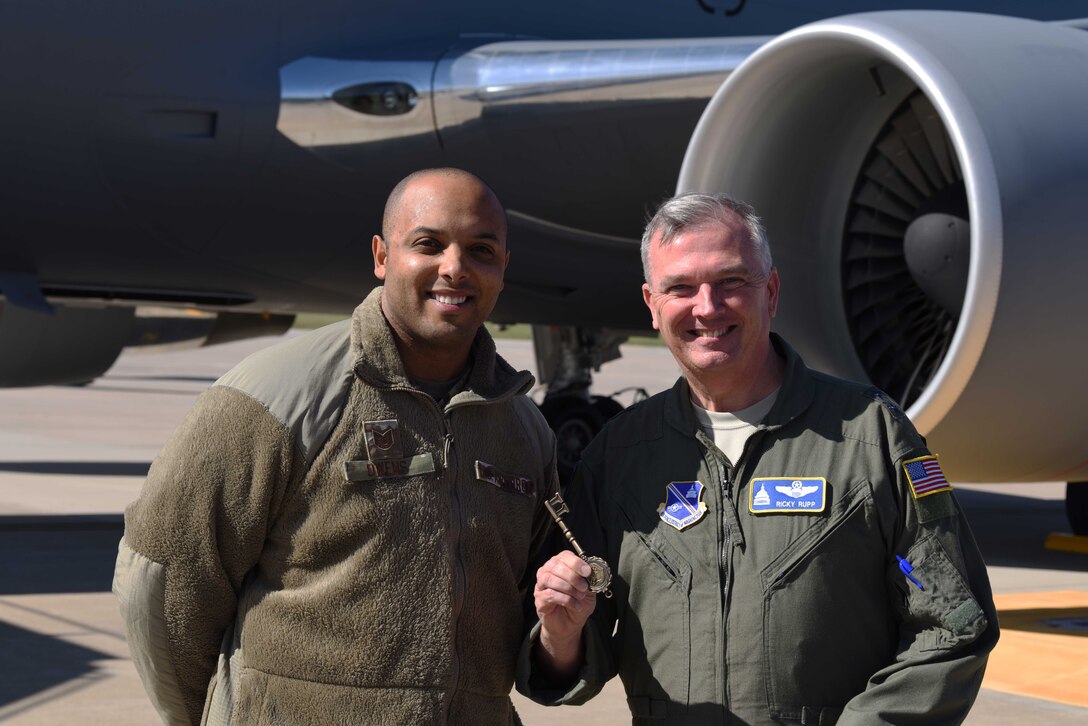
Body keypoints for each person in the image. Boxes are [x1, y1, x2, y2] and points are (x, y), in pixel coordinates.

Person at [518, 193, 998, 724]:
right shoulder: (618, 457)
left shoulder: (870, 436)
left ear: (769, 292)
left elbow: (952, 626)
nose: (706, 307)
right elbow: (573, 655)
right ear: (652, 305)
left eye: (731, 282)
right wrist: (560, 634)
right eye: (680, 288)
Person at [114, 168, 559, 725]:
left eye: (481, 249)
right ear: (381, 256)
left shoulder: (522, 428)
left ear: (502, 269)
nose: (455, 268)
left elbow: (532, 618)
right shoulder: (273, 397)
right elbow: (164, 578)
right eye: (428, 244)